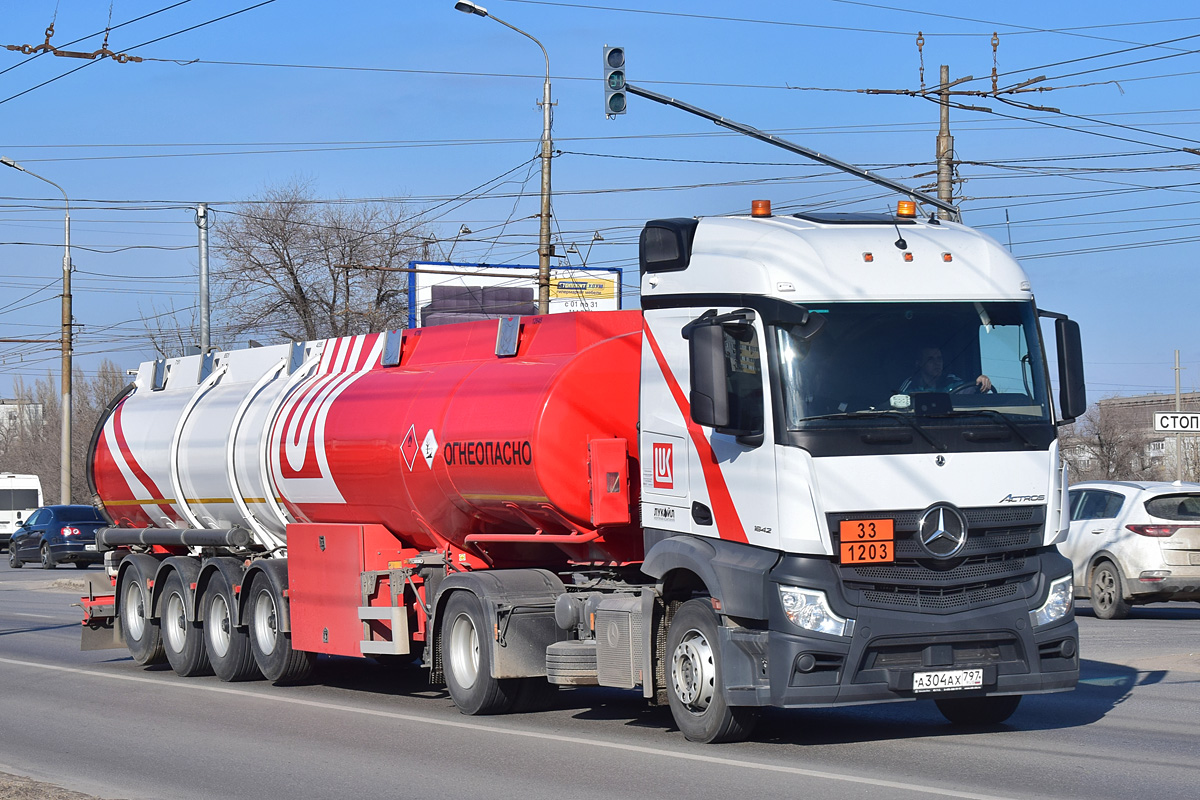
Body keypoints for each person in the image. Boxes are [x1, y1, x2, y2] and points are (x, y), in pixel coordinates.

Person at [899, 347, 992, 393]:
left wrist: (980, 382)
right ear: (919, 363)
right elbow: (897, 403)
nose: (937, 363)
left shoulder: (951, 381)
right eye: (930, 359)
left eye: (939, 358)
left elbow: (967, 391)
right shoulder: (911, 384)